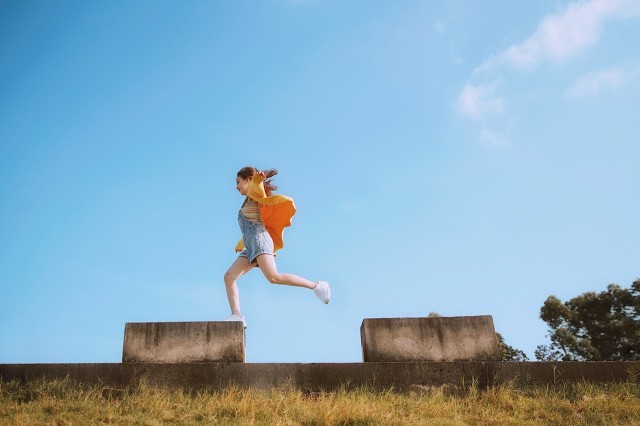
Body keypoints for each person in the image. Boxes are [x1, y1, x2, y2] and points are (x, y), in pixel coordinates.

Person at [222, 166, 331, 327]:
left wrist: (259, 179)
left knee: (274, 277)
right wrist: (241, 244)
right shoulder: (248, 202)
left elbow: (257, 187)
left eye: (238, 182)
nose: (236, 186)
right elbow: (249, 228)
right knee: (229, 277)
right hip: (251, 245)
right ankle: (236, 315)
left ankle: (317, 285)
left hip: (260, 241)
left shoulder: (255, 193)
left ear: (248, 180)